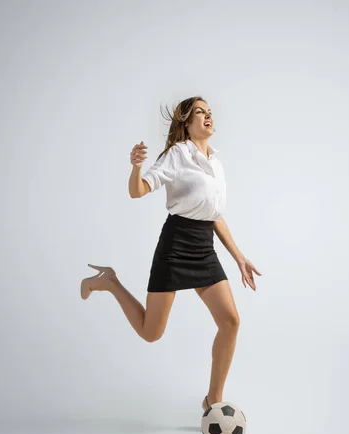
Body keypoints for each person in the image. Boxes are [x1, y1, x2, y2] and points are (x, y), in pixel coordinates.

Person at [80, 96, 261, 412]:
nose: (208, 116)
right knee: (151, 333)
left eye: (209, 112)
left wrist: (239, 257)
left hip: (205, 249)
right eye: (200, 112)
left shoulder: (216, 162)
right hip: (176, 246)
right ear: (186, 124)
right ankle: (109, 282)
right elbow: (138, 191)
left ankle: (212, 399)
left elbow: (215, 214)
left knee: (230, 321)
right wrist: (136, 167)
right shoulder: (177, 155)